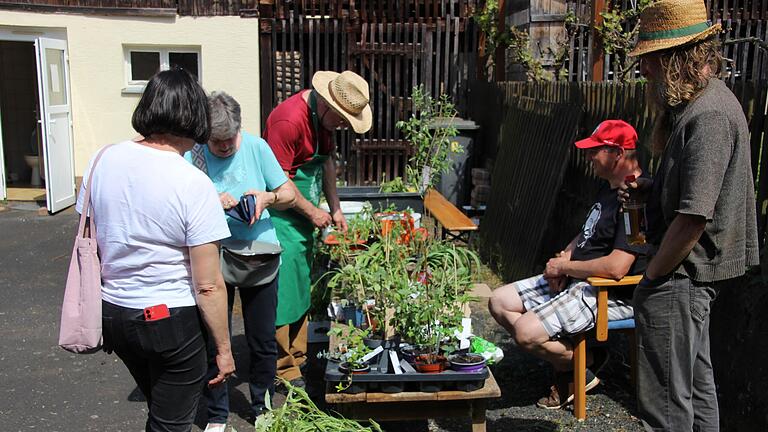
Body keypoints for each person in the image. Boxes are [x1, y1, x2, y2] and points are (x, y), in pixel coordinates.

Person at [624, 1, 759, 430]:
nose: (643, 69)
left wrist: (651, 278)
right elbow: (694, 194)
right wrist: (653, 187)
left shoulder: (711, 114)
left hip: (682, 276)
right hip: (687, 277)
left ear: (674, 57)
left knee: (665, 409)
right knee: (697, 396)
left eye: (648, 59)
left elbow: (694, 218)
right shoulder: (694, 106)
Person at [75, 69, 235, 431]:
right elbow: (208, 284)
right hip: (168, 319)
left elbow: (91, 228)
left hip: (113, 312)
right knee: (171, 423)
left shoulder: (101, 160)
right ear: (196, 116)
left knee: (161, 410)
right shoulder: (193, 183)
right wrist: (224, 350)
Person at [488, 120, 652, 410]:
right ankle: (580, 362)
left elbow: (618, 267)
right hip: (579, 279)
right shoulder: (609, 189)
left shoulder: (635, 199)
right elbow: (587, 233)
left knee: (525, 333)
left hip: (609, 293)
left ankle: (576, 365)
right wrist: (565, 256)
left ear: (618, 153)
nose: (588, 157)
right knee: (498, 301)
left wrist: (564, 269)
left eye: (595, 151)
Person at [184, 91, 296, 432]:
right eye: (216, 141)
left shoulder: (257, 147)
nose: (224, 147)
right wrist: (209, 199)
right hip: (213, 255)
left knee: (262, 339)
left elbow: (289, 194)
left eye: (230, 139)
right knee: (213, 339)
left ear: (240, 128)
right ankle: (217, 415)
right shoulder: (194, 154)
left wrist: (267, 197)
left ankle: (261, 406)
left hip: (258, 255)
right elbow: (180, 199)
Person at [263, 70, 372, 385]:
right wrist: (313, 212)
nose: (341, 126)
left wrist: (335, 207)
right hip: (281, 216)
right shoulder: (288, 121)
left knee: (302, 288)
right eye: (340, 120)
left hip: (306, 214)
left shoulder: (324, 120)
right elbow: (278, 182)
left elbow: (326, 162)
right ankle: (282, 367)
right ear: (325, 103)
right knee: (285, 289)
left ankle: (298, 358)